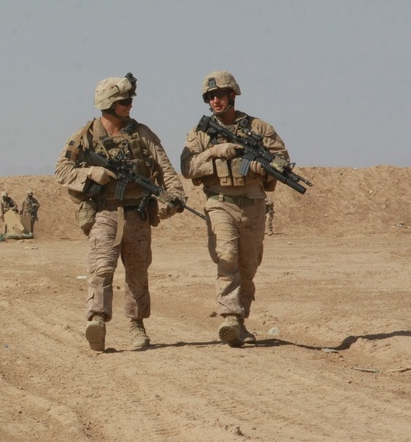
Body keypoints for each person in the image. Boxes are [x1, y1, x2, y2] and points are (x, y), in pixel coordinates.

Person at [54, 73, 186, 352]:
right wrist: (92, 172)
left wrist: (174, 195)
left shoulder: (142, 134)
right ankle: (97, 320)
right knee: (101, 268)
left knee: (137, 272)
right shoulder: (84, 136)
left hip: (137, 213)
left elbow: (165, 168)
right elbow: (61, 170)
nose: (130, 106)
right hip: (104, 212)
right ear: (109, 104)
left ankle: (137, 324)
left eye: (129, 100)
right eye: (124, 101)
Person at [180, 70, 291, 347]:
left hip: (253, 204)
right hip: (220, 203)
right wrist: (214, 153)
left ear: (232, 95)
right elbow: (188, 167)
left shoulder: (259, 128)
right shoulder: (200, 134)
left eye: (220, 95)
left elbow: (282, 161)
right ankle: (229, 316)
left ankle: (239, 322)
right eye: (211, 97)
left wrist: (261, 167)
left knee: (248, 266)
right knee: (227, 257)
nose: (215, 101)